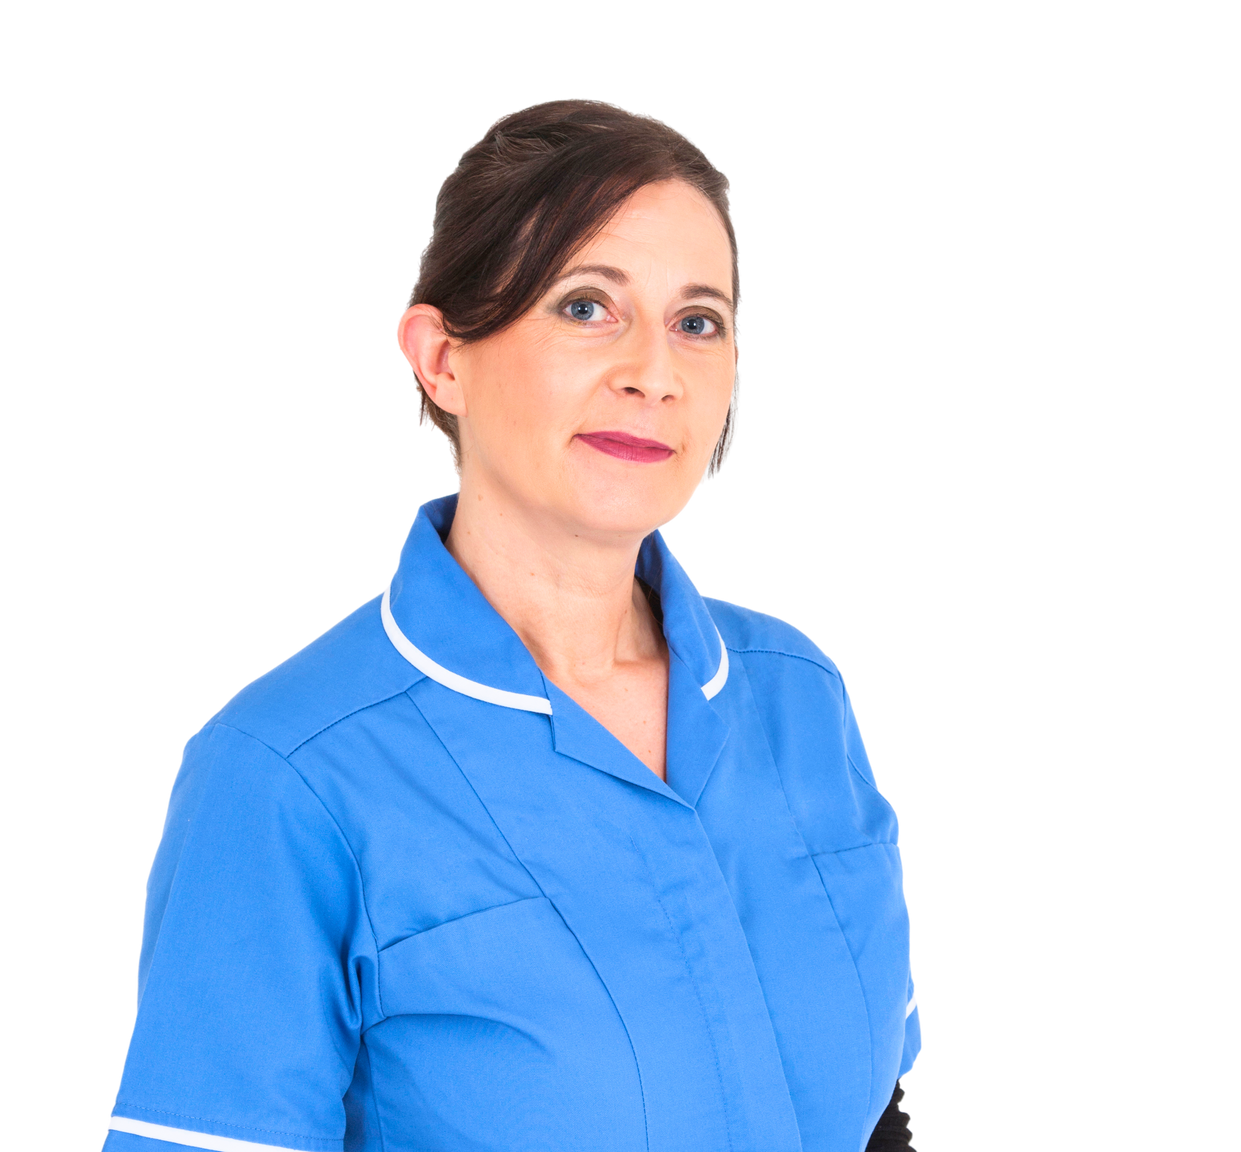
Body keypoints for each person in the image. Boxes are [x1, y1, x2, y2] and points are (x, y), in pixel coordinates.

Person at [102, 100, 917, 1152]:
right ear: (440, 360)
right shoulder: (286, 776)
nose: (652, 373)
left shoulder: (798, 700)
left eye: (696, 321)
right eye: (585, 306)